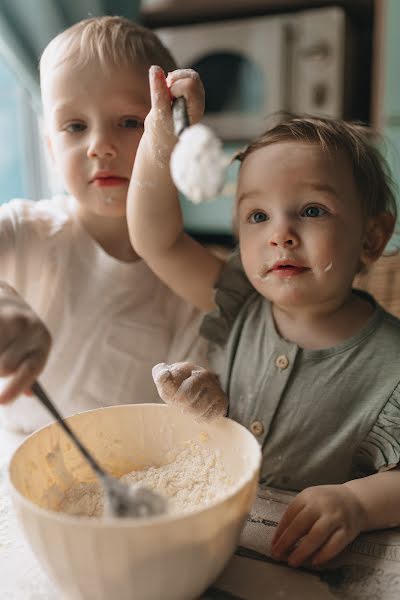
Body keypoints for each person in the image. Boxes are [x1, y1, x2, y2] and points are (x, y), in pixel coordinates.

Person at [127, 66, 400, 569]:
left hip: (302, 561)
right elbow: (156, 239)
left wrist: (360, 503)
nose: (280, 234)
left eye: (312, 210)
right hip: (210, 536)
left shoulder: (391, 365)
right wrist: (159, 138)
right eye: (258, 216)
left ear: (371, 239)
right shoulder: (236, 303)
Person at [0, 17, 207, 434]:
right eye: (75, 126)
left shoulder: (188, 282)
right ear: (50, 148)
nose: (99, 146)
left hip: (121, 474)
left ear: (174, 138)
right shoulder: (26, 229)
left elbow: (191, 408)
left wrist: (203, 393)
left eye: (130, 122)